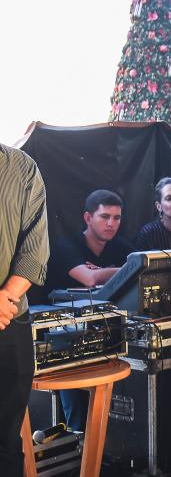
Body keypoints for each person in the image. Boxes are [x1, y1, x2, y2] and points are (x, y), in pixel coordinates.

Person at [47, 189, 134, 432]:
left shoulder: (122, 247)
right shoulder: (66, 247)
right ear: (88, 218)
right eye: (105, 217)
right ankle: (77, 442)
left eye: (117, 218)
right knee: (78, 409)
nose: (111, 224)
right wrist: (122, 270)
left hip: (108, 335)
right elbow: (89, 279)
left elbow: (141, 265)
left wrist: (108, 271)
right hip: (67, 337)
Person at [0, 144, 49, 477]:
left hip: (10, 322)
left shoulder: (23, 168)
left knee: (6, 443)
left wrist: (6, 297)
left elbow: (35, 252)